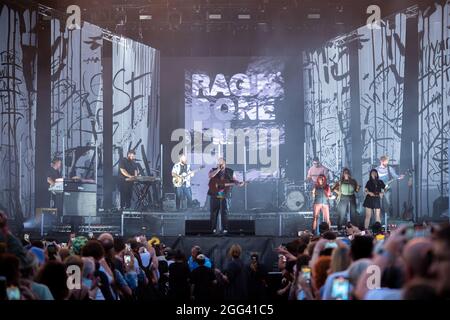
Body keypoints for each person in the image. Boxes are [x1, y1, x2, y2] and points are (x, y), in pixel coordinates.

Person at [208, 158, 245, 234]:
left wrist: (238, 183)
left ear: (225, 163)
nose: (220, 164)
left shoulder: (230, 171)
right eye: (219, 163)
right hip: (215, 193)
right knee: (214, 212)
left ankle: (225, 229)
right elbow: (210, 176)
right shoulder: (213, 170)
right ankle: (213, 229)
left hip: (225, 194)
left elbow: (235, 180)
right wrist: (218, 169)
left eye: (221, 163)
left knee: (224, 211)